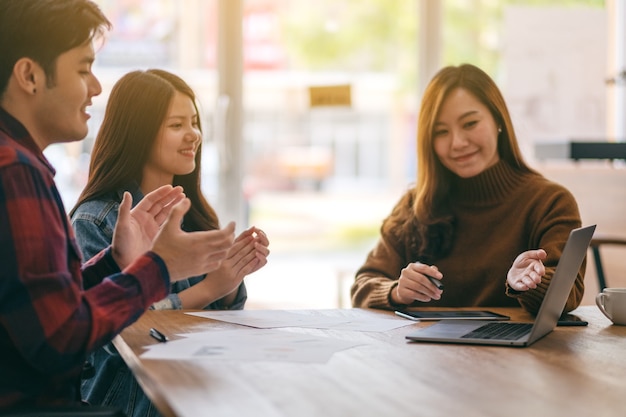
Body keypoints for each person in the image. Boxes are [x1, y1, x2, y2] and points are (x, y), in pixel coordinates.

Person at [0, 0, 236, 410]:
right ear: (29, 75)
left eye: (194, 123)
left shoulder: (24, 166)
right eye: (82, 69)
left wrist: (115, 262)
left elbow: (41, 308)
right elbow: (60, 338)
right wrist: (157, 268)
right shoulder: (15, 172)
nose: (95, 87)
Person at [70, 69, 270, 417]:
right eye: (176, 125)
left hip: (196, 397)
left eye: (194, 122)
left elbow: (214, 330)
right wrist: (211, 288)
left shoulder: (193, 214)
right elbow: (120, 337)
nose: (193, 134)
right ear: (138, 133)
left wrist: (231, 280)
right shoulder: (98, 220)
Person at [351, 63, 584, 315]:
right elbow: (362, 286)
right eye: (441, 132)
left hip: (515, 353)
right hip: (425, 353)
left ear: (498, 120)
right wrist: (396, 291)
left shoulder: (549, 202)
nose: (457, 143)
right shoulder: (414, 205)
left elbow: (568, 293)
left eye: (470, 123)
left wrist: (529, 284)